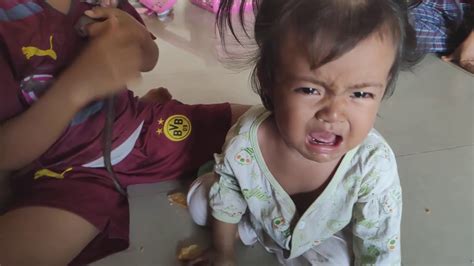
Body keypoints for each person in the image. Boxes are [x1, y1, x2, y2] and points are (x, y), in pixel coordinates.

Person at [0, 0, 247, 264]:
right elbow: (7, 154)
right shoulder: (10, 23)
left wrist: (136, 33)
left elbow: (149, 59)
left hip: (137, 130)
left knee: (254, 124)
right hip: (59, 174)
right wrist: (76, 88)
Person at [186, 0, 420, 265]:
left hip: (318, 234)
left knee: (342, 259)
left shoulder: (373, 165)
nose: (333, 113)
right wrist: (223, 251)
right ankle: (225, 189)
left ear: (384, 89)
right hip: (259, 214)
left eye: (360, 93)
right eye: (310, 89)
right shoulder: (247, 140)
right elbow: (228, 191)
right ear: (268, 79)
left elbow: (379, 244)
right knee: (200, 203)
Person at [409, 0, 474, 72]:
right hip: (433, 6)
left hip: (468, 11)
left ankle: (461, 44)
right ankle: (460, 44)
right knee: (405, 32)